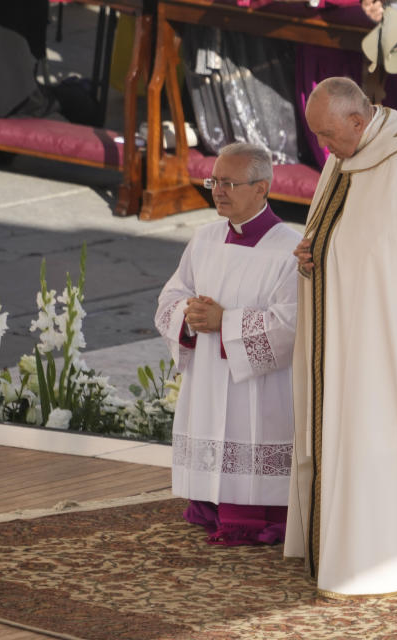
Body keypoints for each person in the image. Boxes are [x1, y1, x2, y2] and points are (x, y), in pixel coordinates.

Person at [284, 77, 397, 597]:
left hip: (395, 344)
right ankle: (338, 547)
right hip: (349, 335)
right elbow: (334, 237)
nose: (324, 147)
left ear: (357, 121)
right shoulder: (346, 157)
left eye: (328, 135)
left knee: (381, 433)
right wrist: (311, 254)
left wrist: (333, 255)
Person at [155, 142, 302, 545]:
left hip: (259, 388)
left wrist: (226, 322)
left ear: (261, 188)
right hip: (208, 373)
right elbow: (170, 296)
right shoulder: (204, 239)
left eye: (229, 183)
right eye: (214, 181)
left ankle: (254, 512)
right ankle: (209, 503)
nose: (218, 191)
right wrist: (189, 314)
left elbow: (291, 325)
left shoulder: (290, 249)